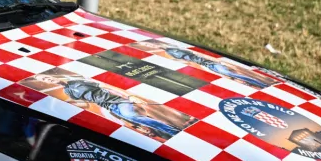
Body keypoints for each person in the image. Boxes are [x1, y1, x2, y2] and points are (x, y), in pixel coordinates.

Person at [33, 73, 191, 141]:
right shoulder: (68, 91)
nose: (49, 80)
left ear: (53, 77)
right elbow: (88, 102)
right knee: (131, 123)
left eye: (48, 77)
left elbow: (104, 86)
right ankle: (165, 132)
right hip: (108, 107)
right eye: (45, 80)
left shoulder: (75, 81)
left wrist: (129, 96)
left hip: (115, 100)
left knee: (133, 117)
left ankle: (173, 131)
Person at [163, 47, 274, 90]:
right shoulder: (181, 58)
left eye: (177, 52)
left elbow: (203, 56)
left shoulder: (189, 53)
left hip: (212, 65)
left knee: (229, 74)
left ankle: (261, 84)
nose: (177, 53)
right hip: (207, 68)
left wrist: (218, 61)